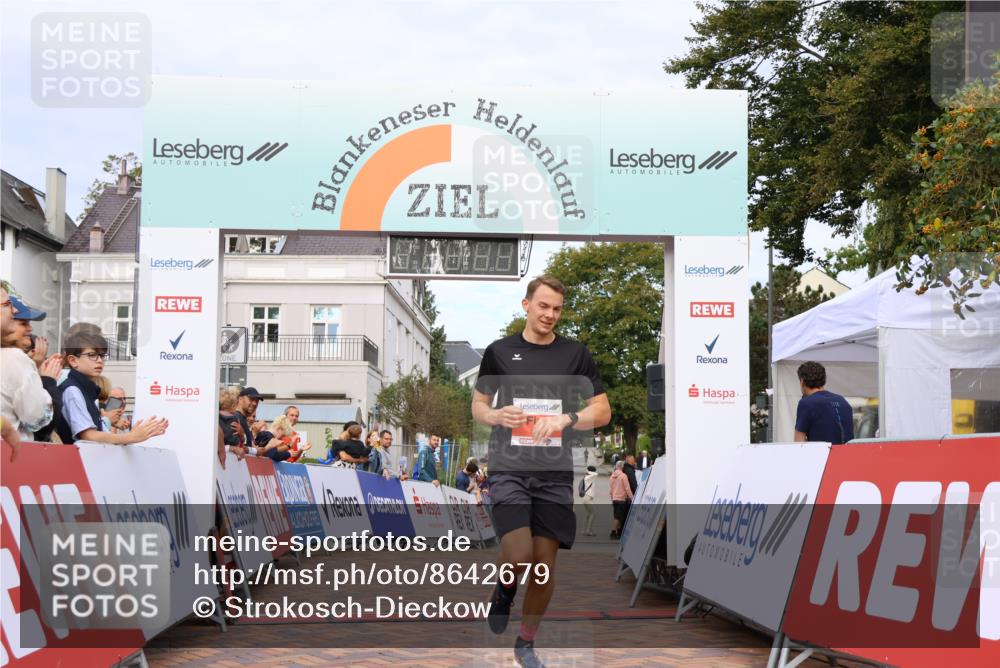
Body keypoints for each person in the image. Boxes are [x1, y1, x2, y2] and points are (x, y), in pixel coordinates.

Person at [473, 275, 611, 668]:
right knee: (518, 556)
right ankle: (503, 589)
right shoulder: (499, 352)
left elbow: (602, 411)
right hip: (509, 468)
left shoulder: (576, 354)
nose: (550, 315)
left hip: (552, 474)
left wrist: (568, 418)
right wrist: (496, 413)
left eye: (557, 309)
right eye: (543, 306)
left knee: (544, 567)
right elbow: (478, 405)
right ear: (526, 305)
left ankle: (526, 643)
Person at [56, 329, 167, 445]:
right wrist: (130, 437)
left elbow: (96, 435)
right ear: (73, 361)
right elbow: (88, 436)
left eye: (102, 356)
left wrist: (132, 436)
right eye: (92, 355)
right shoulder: (72, 390)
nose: (100, 361)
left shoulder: (86, 390)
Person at [0, 287, 54, 440]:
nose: (30, 328)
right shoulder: (15, 358)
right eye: (23, 323)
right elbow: (36, 419)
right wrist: (47, 382)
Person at [794, 362, 855, 444]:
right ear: (824, 379)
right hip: (846, 454)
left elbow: (799, 441)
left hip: (822, 456)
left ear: (802, 381)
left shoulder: (806, 403)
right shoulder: (842, 401)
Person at [609, 461, 633, 540]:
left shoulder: (612, 476)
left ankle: (619, 533)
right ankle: (612, 532)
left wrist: (612, 498)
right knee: (618, 517)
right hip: (621, 499)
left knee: (618, 517)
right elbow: (627, 488)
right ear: (622, 467)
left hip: (615, 499)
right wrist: (632, 498)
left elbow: (611, 490)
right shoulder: (623, 476)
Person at [581, 465, 598, 537]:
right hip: (587, 497)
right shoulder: (589, 476)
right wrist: (589, 471)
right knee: (593, 514)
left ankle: (584, 530)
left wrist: (588, 471)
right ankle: (588, 531)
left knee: (588, 514)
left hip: (586, 497)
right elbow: (596, 474)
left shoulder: (586, 477)